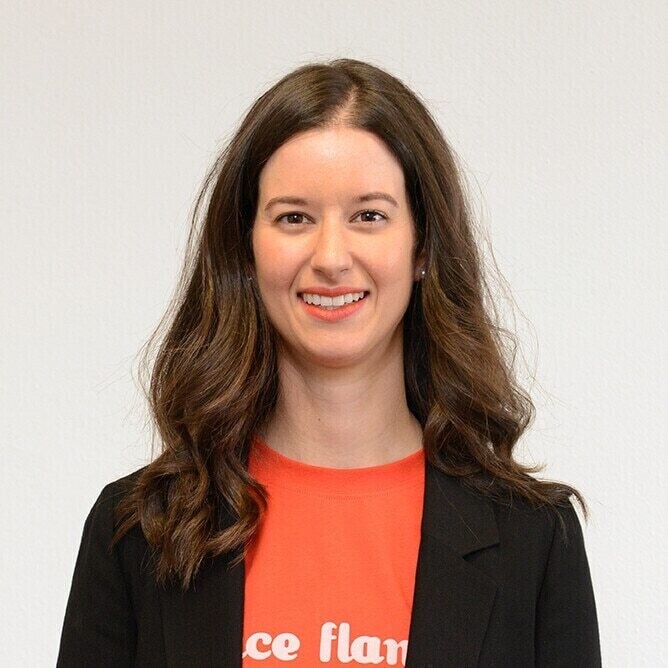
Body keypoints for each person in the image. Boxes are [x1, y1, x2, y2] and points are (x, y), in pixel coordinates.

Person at [57, 58, 601, 667]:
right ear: (246, 248)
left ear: (423, 245)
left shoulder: (535, 540)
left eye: (369, 216)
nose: (331, 258)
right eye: (294, 217)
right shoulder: (139, 533)